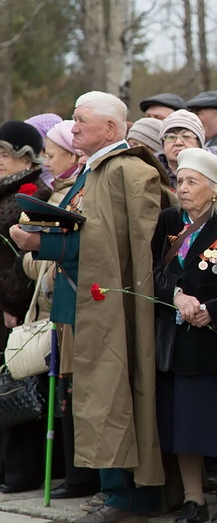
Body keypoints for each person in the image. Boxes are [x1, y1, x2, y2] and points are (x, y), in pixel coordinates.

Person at [11, 92, 173, 523]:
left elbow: (122, 246)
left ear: (112, 129)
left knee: (114, 394)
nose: (74, 127)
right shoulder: (91, 170)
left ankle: (128, 496)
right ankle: (110, 490)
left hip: (111, 306)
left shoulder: (131, 171)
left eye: (82, 120)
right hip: (76, 301)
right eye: (74, 119)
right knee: (91, 399)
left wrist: (42, 242)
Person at [152, 148, 217, 523]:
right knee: (182, 422)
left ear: (213, 189)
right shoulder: (168, 221)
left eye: (193, 182)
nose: (183, 188)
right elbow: (154, 272)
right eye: (180, 181)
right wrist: (175, 294)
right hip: (177, 341)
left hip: (216, 339)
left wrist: (215, 309)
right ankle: (194, 499)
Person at [18, 120, 98, 499]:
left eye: (54, 153)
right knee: (64, 389)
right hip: (56, 298)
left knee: (75, 390)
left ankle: (82, 475)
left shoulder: (78, 190)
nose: (47, 161)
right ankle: (73, 473)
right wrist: (34, 251)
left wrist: (38, 246)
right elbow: (34, 261)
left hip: (79, 297)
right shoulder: (59, 193)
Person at [0, 120, 52, 495]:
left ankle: (21, 472)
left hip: (16, 305)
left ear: (27, 158)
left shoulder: (35, 192)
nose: (0, 161)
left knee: (17, 387)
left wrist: (13, 301)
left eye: (6, 154)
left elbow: (28, 254)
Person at [160, 109, 206, 189]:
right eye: (171, 137)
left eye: (186, 136)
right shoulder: (152, 175)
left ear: (199, 145)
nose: (178, 143)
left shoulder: (211, 177)